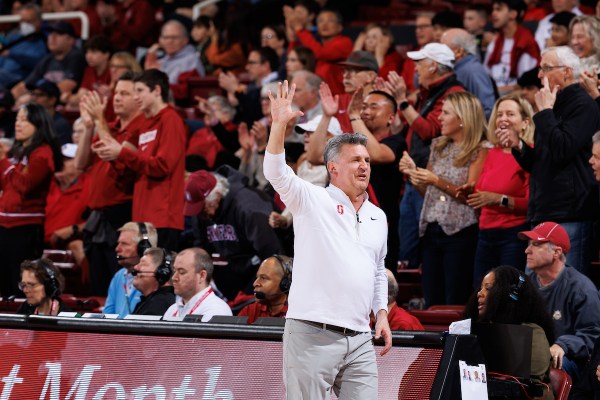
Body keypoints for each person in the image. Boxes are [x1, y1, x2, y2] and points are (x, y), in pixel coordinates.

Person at [263, 81, 391, 399]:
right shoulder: (312, 199)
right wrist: (279, 125)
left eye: (367, 161)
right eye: (355, 160)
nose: (364, 165)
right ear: (332, 168)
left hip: (361, 336)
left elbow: (378, 269)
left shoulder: (379, 216)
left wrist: (383, 313)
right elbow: (276, 173)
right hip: (311, 331)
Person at [499, 46, 600, 274]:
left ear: (566, 72)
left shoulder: (584, 105)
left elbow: (562, 149)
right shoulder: (552, 104)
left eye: (546, 68)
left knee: (565, 285)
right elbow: (543, 162)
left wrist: (544, 112)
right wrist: (519, 146)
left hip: (571, 213)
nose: (539, 75)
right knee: (537, 288)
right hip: (544, 209)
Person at [400, 91, 488, 306]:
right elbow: (428, 191)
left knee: (454, 298)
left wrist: (434, 179)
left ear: (463, 118)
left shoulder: (480, 150)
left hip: (461, 233)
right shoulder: (438, 145)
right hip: (431, 229)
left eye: (445, 113)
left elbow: (470, 197)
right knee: (432, 298)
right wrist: (414, 175)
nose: (439, 117)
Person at [93, 69, 187, 251]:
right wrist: (111, 153)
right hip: (141, 218)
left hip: (163, 216)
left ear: (157, 91)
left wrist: (120, 152)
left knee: (159, 275)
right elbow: (124, 162)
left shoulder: (171, 120)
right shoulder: (144, 124)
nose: (136, 97)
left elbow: (162, 166)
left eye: (140, 91)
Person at [393, 43, 465, 270]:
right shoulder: (429, 92)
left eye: (420, 64)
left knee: (423, 249)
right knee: (408, 250)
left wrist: (402, 102)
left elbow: (429, 131)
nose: (415, 69)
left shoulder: (453, 93)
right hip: (417, 178)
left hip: (432, 182)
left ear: (434, 67)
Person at [77, 71, 145, 295]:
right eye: (116, 93)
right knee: (97, 285)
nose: (116, 98)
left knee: (118, 282)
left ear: (138, 98)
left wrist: (99, 121)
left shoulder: (139, 128)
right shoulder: (111, 126)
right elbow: (80, 162)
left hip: (121, 215)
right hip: (97, 218)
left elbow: (121, 161)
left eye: (124, 93)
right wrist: (89, 127)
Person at [518, 222, 600, 392]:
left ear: (556, 252)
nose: (527, 251)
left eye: (536, 244)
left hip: (570, 358)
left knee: (546, 368)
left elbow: (592, 334)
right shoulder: (525, 285)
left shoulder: (581, 288)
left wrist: (563, 345)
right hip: (533, 353)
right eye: (528, 245)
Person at [184, 168, 281, 300]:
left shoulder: (249, 207)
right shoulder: (202, 213)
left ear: (217, 195)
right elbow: (201, 247)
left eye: (203, 208)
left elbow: (273, 253)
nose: (200, 214)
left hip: (259, 269)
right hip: (232, 271)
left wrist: (252, 294)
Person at [468, 95, 533, 287]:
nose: (503, 118)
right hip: (485, 233)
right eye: (500, 114)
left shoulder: (530, 154)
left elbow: (531, 204)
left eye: (510, 114)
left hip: (513, 235)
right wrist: (471, 192)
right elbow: (484, 192)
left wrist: (499, 199)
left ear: (525, 123)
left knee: (507, 292)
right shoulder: (491, 152)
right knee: (481, 291)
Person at [0, 103, 63, 297]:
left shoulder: (43, 154)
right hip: (4, 225)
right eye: (17, 119)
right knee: (4, 286)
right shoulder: (18, 154)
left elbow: (25, 184)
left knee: (23, 287)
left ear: (38, 123)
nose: (18, 124)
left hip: (25, 228)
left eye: (25, 119)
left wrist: (3, 161)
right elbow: (6, 184)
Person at [463, 265, 554, 398]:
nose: (479, 293)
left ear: (508, 294)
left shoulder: (532, 332)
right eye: (481, 288)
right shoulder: (483, 327)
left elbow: (530, 383)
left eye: (488, 288)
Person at [12, 21, 85, 105]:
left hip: (59, 107)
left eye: (58, 34)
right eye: (50, 33)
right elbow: (25, 85)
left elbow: (67, 85)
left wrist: (34, 96)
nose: (52, 37)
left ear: (71, 40)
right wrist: (9, 97)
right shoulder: (48, 59)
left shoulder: (76, 57)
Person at [288, 9, 353, 95]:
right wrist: (293, 39)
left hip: (338, 98)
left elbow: (320, 53)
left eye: (330, 20)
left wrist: (300, 30)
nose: (324, 24)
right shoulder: (318, 45)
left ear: (340, 27)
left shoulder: (345, 42)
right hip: (317, 97)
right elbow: (295, 57)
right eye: (321, 21)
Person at [484, 0, 540, 95]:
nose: (493, 13)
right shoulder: (495, 42)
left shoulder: (526, 43)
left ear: (513, 14)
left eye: (498, 9)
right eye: (493, 9)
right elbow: (485, 74)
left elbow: (525, 84)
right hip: (493, 94)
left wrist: (495, 91)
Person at [144, 19, 205, 106]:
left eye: (174, 38)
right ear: (160, 40)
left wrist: (155, 82)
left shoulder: (191, 60)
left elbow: (184, 92)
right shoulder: (163, 60)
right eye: (165, 37)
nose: (169, 41)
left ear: (185, 40)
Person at [104, 221, 158, 318]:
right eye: (118, 243)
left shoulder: (154, 277)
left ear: (143, 248)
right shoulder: (118, 276)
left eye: (124, 244)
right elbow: (107, 315)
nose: (117, 248)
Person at [163, 247, 232, 321]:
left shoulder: (216, 310)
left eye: (182, 272)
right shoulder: (172, 309)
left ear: (202, 276)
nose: (174, 278)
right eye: (174, 271)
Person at [440, 28, 496, 118]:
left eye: (443, 48)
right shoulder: (457, 68)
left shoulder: (473, 70)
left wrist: (467, 126)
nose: (439, 53)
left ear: (459, 51)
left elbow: (488, 108)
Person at [0, 3, 47, 89]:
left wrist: (11, 54)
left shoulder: (43, 41)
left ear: (38, 22)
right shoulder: (14, 38)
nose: (24, 25)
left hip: (18, 81)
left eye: (28, 21)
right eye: (22, 21)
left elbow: (39, 62)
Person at [238, 255, 292, 324]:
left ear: (286, 284)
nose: (255, 283)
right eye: (257, 277)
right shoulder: (250, 311)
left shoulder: (298, 315)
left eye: (263, 278)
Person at [131, 247, 176, 316]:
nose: (135, 267)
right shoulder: (153, 301)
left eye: (143, 264)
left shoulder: (160, 303)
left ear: (161, 272)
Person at [27, 79, 72, 145]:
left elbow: (60, 151)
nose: (34, 98)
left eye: (40, 94)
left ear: (52, 100)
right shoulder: (27, 120)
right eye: (33, 93)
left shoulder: (60, 125)